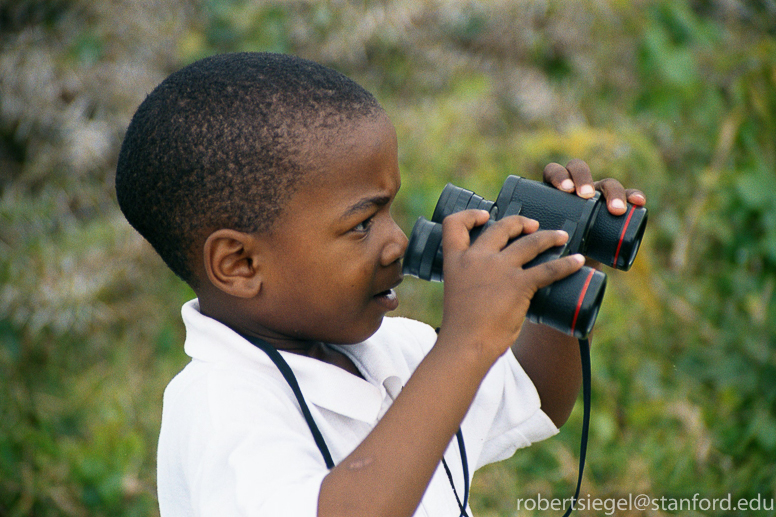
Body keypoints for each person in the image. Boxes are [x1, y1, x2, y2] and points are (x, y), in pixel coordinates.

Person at [115, 52, 646, 517]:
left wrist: (563, 254)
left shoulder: (390, 351)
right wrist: (467, 342)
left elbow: (536, 395)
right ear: (240, 265)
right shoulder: (220, 406)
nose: (397, 242)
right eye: (362, 224)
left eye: (390, 210)